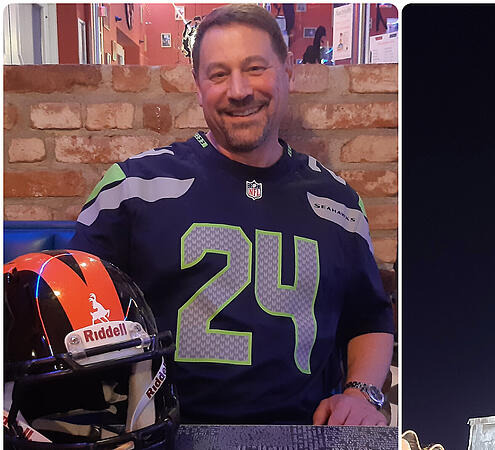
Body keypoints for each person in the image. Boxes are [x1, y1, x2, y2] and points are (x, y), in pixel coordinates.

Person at [69, 4, 393, 426]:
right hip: (165, 433)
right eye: (218, 74)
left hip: (303, 433)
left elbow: (368, 318)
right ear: (198, 87)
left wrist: (361, 395)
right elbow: (74, 318)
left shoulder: (340, 204)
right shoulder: (131, 190)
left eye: (255, 68)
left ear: (287, 71)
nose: (238, 90)